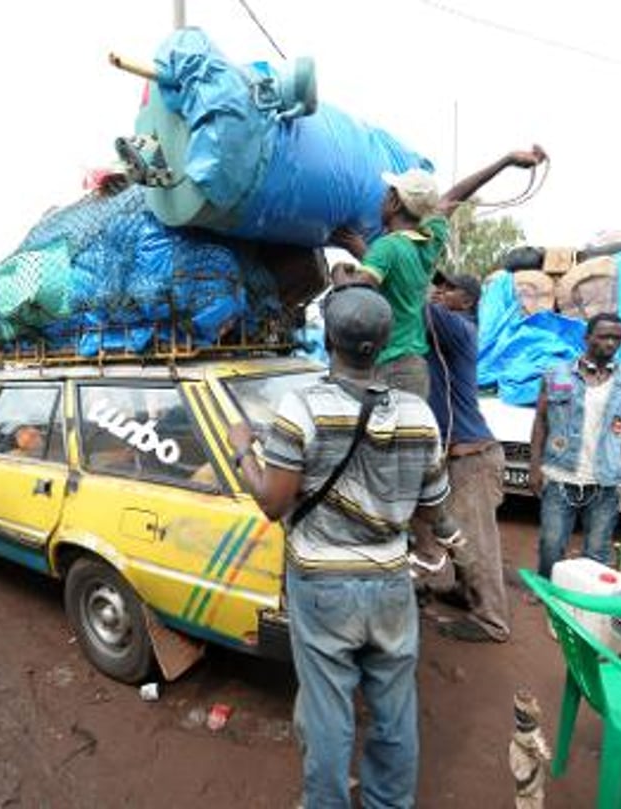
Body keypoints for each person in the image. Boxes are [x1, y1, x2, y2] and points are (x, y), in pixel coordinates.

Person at [228, 285, 451, 808]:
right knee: (395, 712)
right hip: (392, 583)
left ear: (327, 338)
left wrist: (244, 451)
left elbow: (271, 503)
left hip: (322, 587)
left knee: (329, 715)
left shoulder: (300, 408)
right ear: (387, 339)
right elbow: (433, 508)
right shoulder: (419, 413)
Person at [330, 146, 549, 399]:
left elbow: (356, 305)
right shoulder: (429, 239)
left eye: (386, 194)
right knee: (411, 437)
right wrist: (506, 160)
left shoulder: (386, 247)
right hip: (413, 369)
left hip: (384, 368)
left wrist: (339, 276)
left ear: (395, 201)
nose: (380, 200)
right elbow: (455, 196)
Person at [423, 272, 511, 643]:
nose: (441, 292)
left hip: (471, 459)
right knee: (454, 533)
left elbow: (415, 302)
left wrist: (375, 255)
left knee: (477, 542)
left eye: (450, 289)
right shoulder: (441, 335)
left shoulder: (459, 328)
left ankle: (492, 621)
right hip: (456, 456)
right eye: (438, 286)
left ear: (469, 301)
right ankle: (463, 591)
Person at [530, 313, 621, 579]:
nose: (611, 343)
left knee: (597, 551)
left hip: (604, 483)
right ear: (587, 338)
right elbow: (541, 422)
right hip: (559, 476)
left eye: (617, 338)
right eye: (604, 336)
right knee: (551, 545)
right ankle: (548, 591)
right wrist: (534, 467)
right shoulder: (556, 375)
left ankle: (588, 597)